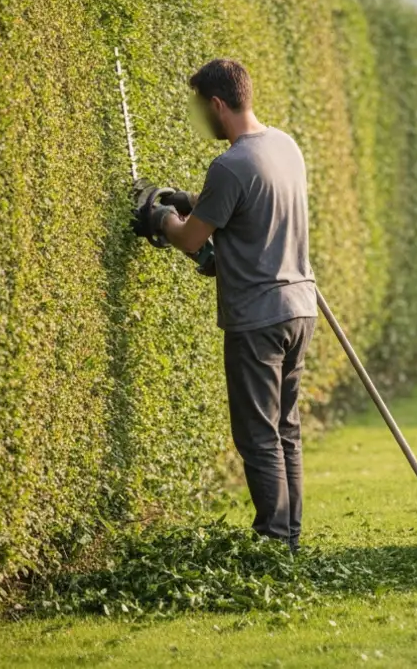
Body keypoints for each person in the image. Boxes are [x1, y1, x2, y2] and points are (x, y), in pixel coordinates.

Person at [146, 58, 317, 550]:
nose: (202, 118)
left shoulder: (230, 164)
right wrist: (191, 199)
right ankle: (289, 539)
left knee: (258, 435)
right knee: (285, 429)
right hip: (299, 308)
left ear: (218, 104)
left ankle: (272, 543)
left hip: (257, 318)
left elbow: (190, 238)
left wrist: (159, 218)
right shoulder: (285, 145)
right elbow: (251, 211)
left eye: (202, 108)